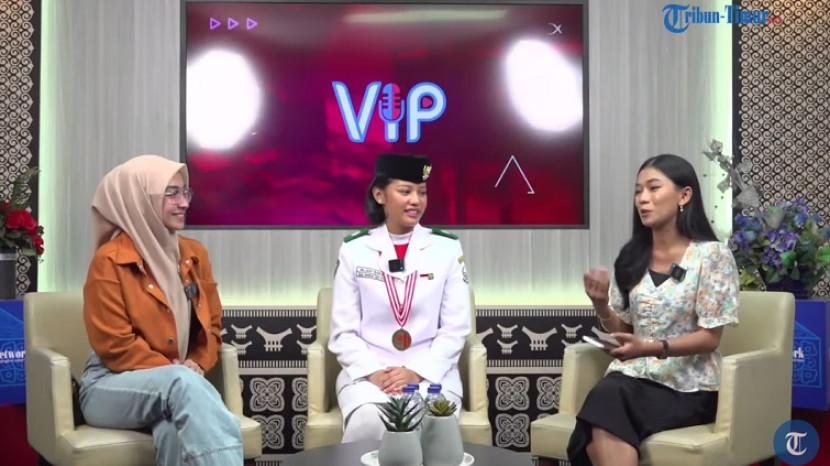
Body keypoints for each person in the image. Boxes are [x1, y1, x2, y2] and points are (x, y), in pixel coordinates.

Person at [567, 154, 739, 466]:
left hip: (689, 387)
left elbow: (710, 338)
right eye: (638, 191)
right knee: (608, 401)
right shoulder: (631, 256)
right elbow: (625, 329)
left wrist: (651, 347)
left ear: (684, 195)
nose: (643, 199)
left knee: (604, 409)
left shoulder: (712, 256)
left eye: (653, 188)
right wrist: (601, 303)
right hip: (633, 379)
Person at [78, 155, 243, 466]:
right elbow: (115, 345)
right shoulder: (109, 261)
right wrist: (176, 371)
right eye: (171, 194)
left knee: (175, 428)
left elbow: (212, 325)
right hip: (109, 384)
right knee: (181, 386)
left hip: (177, 384)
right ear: (140, 200)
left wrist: (197, 361)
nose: (184, 203)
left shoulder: (194, 254)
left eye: (186, 192)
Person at [328, 153, 471, 442]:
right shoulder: (354, 250)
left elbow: (455, 329)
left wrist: (417, 372)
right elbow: (343, 332)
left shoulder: (447, 248)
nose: (416, 201)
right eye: (405, 191)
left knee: (425, 421)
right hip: (369, 375)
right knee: (370, 417)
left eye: (422, 192)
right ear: (379, 195)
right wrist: (375, 373)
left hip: (431, 374)